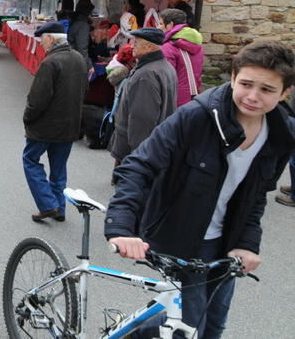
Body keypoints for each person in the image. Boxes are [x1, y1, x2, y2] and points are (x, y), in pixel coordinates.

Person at [106, 40, 295, 338]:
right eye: (245, 84)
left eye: (267, 90)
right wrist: (121, 226)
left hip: (226, 240)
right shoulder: (196, 117)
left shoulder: (281, 134)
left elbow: (257, 195)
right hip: (183, 236)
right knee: (189, 328)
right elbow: (138, 166)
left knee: (214, 325)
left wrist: (247, 243)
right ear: (232, 77)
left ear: (285, 93)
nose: (253, 96)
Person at [22, 21, 88, 222]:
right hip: (69, 125)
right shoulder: (78, 58)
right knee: (58, 170)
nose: (41, 44)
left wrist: (28, 117)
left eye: (42, 39)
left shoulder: (50, 63)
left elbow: (37, 100)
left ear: (50, 38)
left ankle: (48, 204)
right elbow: (85, 90)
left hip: (46, 126)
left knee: (30, 160)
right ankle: (59, 208)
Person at [107, 28, 177, 175]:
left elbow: (142, 120)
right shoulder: (165, 67)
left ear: (149, 47)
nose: (132, 46)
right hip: (155, 142)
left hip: (137, 151)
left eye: (137, 43)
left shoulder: (146, 74)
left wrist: (137, 157)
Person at [160, 8, 204, 106]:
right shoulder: (196, 43)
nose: (159, 27)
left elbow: (166, 78)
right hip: (194, 95)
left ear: (170, 25)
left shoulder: (169, 47)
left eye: (161, 23)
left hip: (174, 98)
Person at [69, 0, 95, 69]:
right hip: (80, 23)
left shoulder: (85, 0)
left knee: (81, 48)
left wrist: (72, 14)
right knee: (76, 46)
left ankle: (86, 69)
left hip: (81, 24)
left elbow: (81, 12)